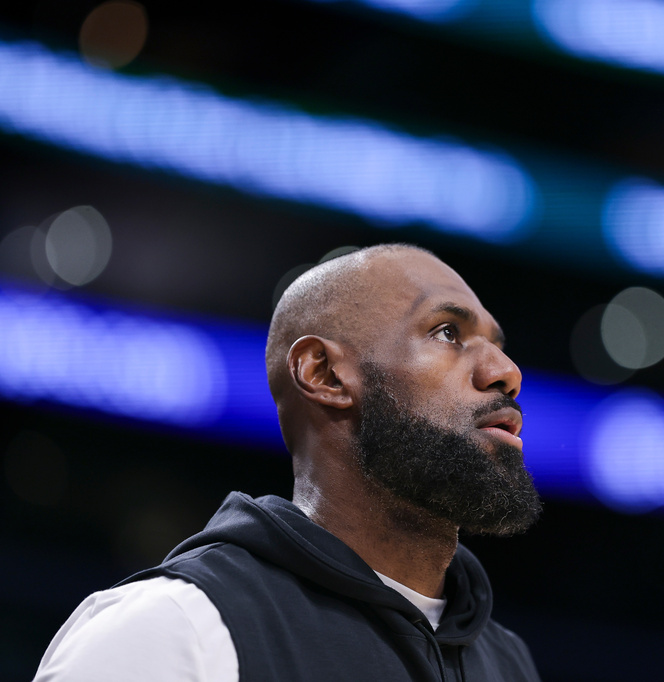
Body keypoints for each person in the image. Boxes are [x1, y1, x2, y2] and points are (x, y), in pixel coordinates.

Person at [34, 243, 544, 681]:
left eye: (497, 346)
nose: (506, 372)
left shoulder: (508, 663)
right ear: (323, 374)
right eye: (447, 333)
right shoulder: (172, 629)